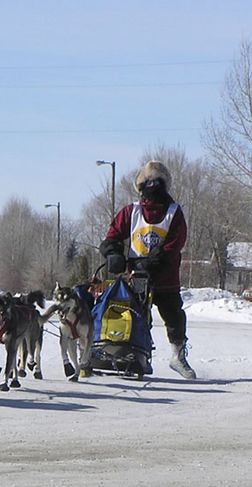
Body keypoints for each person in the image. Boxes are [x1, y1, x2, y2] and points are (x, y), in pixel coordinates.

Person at [99, 160, 196, 379]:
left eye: (157, 182)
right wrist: (113, 252)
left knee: (174, 318)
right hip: (136, 277)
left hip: (165, 277)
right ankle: (136, 354)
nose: (152, 188)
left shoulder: (174, 212)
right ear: (141, 187)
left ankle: (177, 356)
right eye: (148, 183)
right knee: (136, 317)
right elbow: (112, 235)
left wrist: (155, 260)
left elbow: (175, 242)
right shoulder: (131, 212)